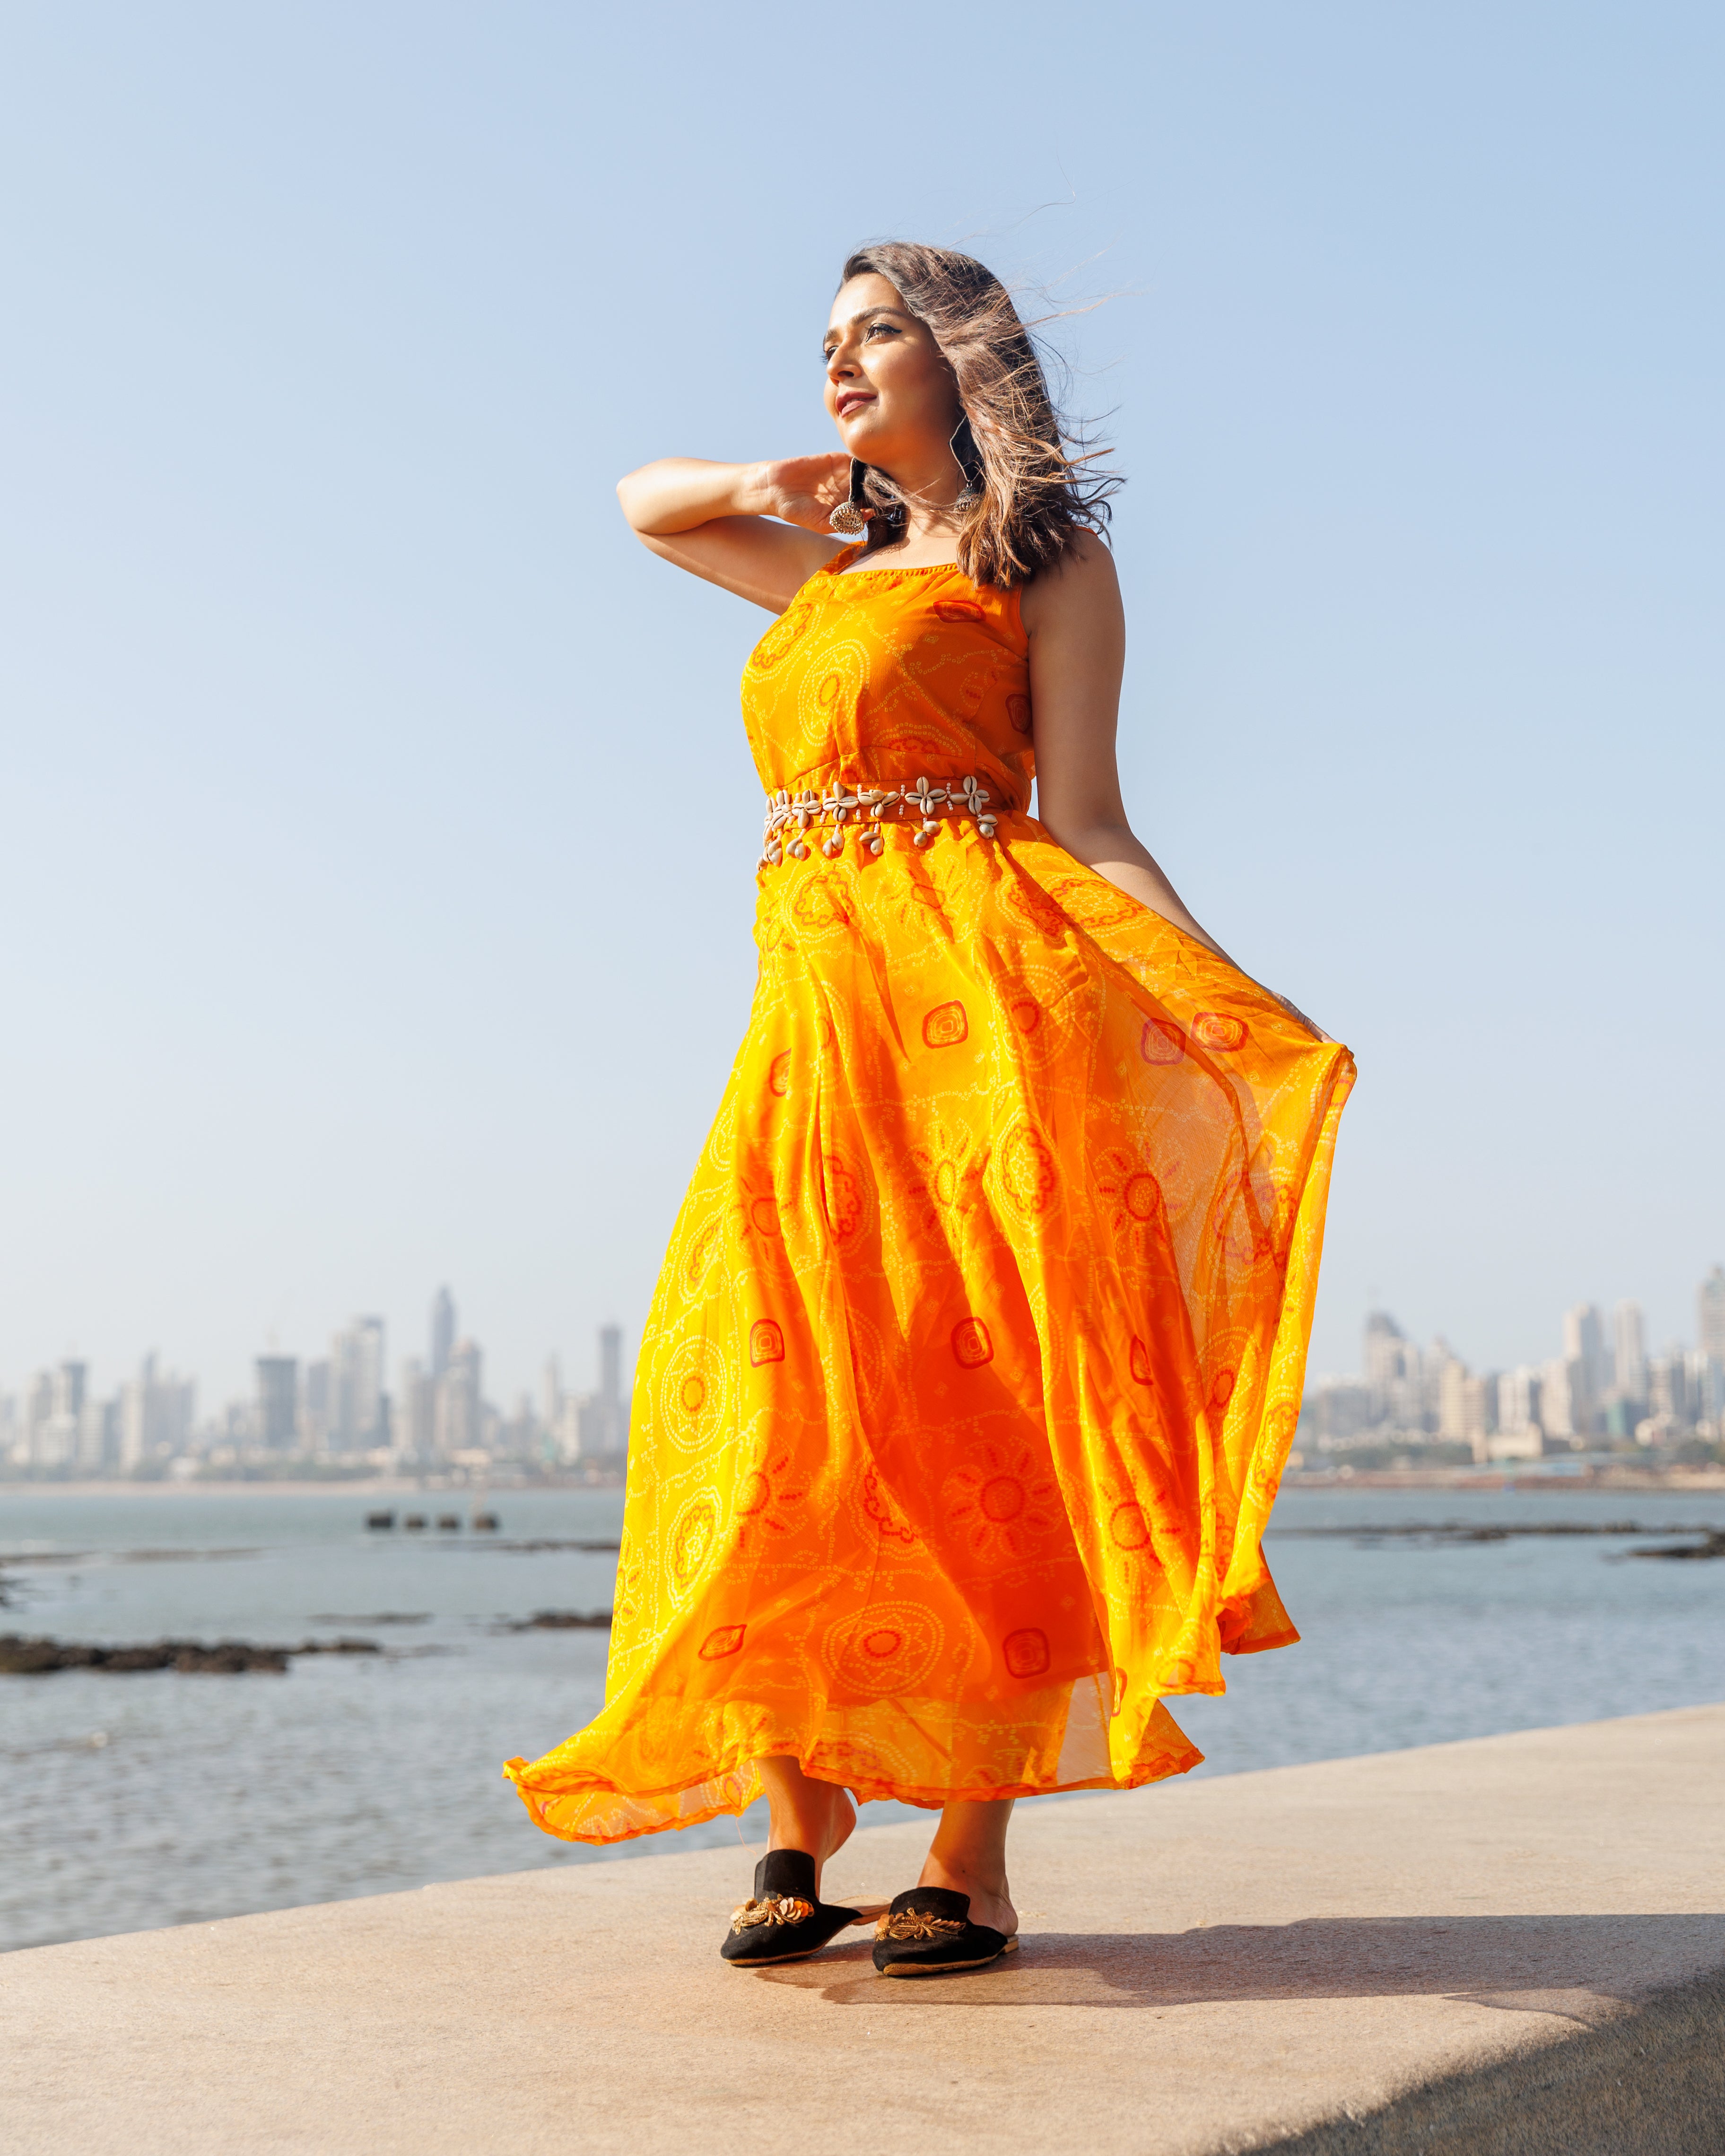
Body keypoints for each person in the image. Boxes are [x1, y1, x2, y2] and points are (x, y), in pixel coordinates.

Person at [506, 242, 1353, 1979]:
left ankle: (968, 1855)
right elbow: (642, 507)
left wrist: (1226, 1005)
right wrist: (773, 480)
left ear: (960, 358)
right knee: (761, 1403)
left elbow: (1096, 816)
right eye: (820, 340)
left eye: (871, 332)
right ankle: (792, 1822)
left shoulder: (1040, 562)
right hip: (813, 1048)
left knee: (979, 1435)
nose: (835, 362)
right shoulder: (821, 565)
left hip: (985, 1039)